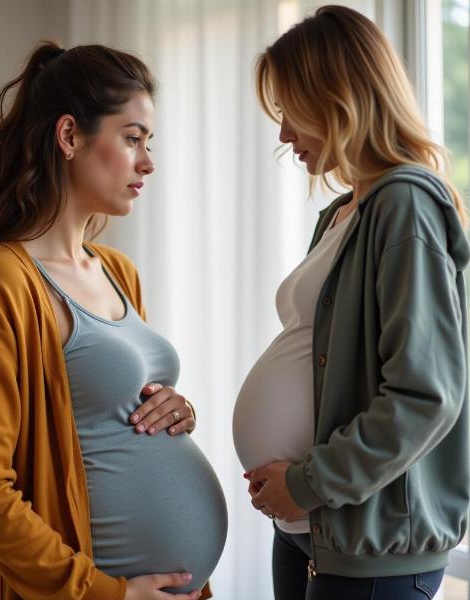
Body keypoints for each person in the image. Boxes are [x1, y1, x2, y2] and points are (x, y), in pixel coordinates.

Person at [0, 42, 227, 600]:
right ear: (69, 137)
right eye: (132, 139)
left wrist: (177, 410)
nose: (148, 162)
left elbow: (110, 418)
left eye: (148, 143)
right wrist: (109, 593)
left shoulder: (118, 271)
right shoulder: (2, 281)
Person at [232, 5, 469, 599]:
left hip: (367, 545)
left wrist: (310, 482)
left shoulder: (404, 206)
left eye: (290, 112)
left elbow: (424, 396)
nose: (284, 135)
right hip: (312, 529)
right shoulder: (346, 213)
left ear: (337, 100)